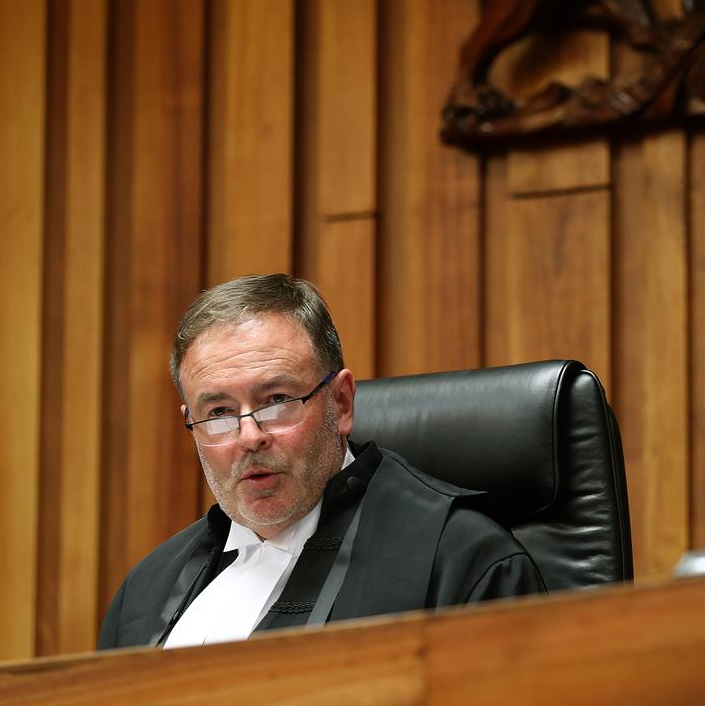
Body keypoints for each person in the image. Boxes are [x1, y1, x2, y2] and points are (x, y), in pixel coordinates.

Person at [98, 274, 545, 649]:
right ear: (191, 423)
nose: (249, 436)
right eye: (218, 413)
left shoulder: (462, 559)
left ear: (342, 403)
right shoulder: (145, 593)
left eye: (277, 400)